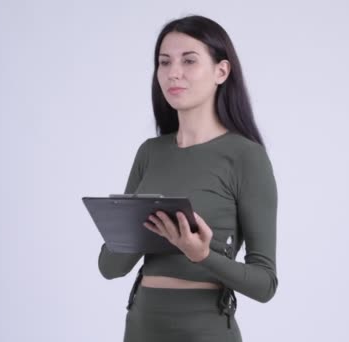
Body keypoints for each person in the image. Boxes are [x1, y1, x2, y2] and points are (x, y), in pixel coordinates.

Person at [97, 14, 278, 342]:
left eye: (189, 61)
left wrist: (203, 256)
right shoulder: (150, 152)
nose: (173, 73)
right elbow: (111, 268)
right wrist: (130, 225)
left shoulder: (246, 157)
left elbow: (265, 284)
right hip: (142, 325)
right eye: (164, 63)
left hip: (205, 330)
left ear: (221, 71)